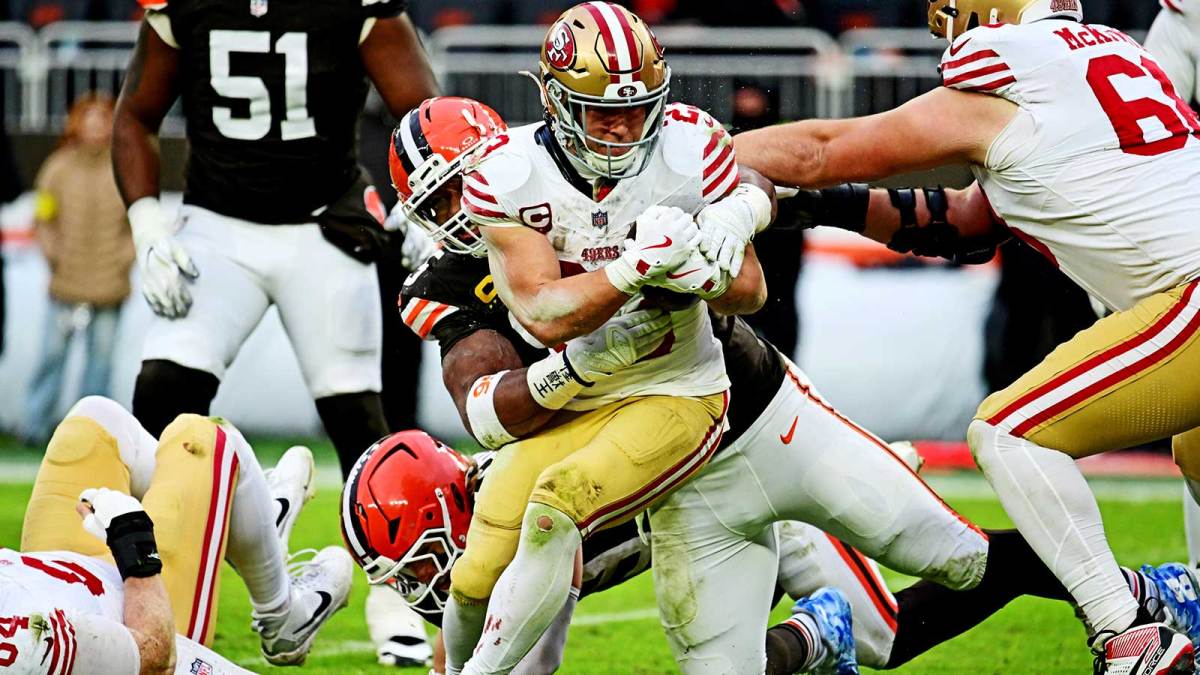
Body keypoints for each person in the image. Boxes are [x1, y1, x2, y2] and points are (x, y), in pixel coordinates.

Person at [384, 95, 1200, 673]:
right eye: (445, 196)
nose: (468, 207)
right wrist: (587, 359)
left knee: (916, 602)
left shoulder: (619, 178)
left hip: (753, 412)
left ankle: (1136, 596)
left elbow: (779, 194)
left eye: (476, 179)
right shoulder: (453, 280)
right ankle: (812, 641)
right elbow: (492, 408)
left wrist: (869, 218)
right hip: (643, 465)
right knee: (547, 551)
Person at [733, 0, 1200, 672]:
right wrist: (823, 208)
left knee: (1009, 430)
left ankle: (1129, 635)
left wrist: (696, 152)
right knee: (1194, 448)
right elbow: (968, 222)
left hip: (1190, 295)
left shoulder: (1007, 71)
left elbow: (821, 149)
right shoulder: (1107, 58)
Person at [432, 5, 779, 669]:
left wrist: (705, 266)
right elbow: (543, 313)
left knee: (555, 508)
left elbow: (752, 291)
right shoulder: (507, 175)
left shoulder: (687, 147)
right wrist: (630, 269)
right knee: (476, 573)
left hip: (673, 387)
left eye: (636, 108)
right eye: (600, 111)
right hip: (575, 398)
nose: (622, 127)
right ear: (558, 103)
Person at [110, 0, 439, 664]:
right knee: (158, 412)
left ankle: (393, 592)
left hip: (323, 226)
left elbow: (421, 110)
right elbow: (135, 116)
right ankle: (141, 577)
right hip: (217, 224)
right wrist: (147, 224)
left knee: (360, 425)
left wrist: (421, 202)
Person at [342, 429, 1200, 674]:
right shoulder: (504, 521)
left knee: (894, 625)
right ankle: (803, 644)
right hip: (700, 538)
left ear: (451, 507)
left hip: (755, 502)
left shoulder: (540, 509)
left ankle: (1135, 594)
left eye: (421, 558)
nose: (425, 582)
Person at [4, 396, 352, 672]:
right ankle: (283, 614)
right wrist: (133, 544)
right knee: (206, 439)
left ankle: (242, 521)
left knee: (95, 423)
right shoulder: (18, 643)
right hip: (140, 607)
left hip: (51, 574)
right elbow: (156, 657)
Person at [22, 94, 133, 446]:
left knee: (99, 366)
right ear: (76, 123)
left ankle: (92, 435)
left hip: (109, 286)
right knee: (50, 358)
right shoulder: (57, 167)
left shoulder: (125, 167)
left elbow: (138, 220)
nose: (96, 126)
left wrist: (121, 258)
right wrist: (54, 255)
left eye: (103, 119)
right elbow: (43, 217)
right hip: (65, 284)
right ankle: (34, 429)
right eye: (90, 118)